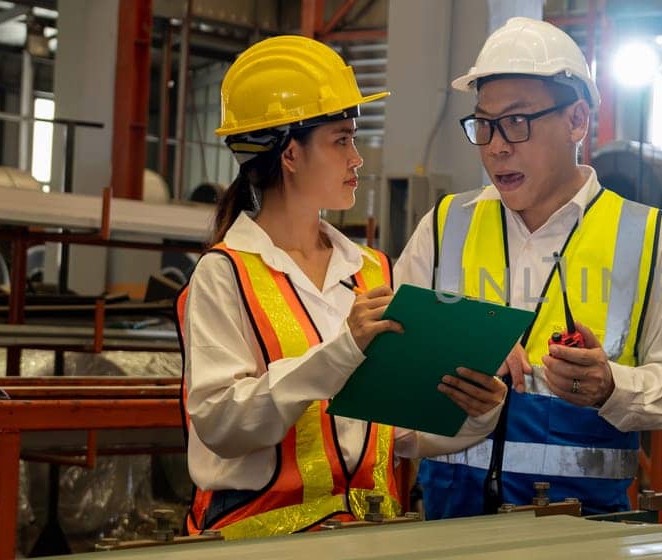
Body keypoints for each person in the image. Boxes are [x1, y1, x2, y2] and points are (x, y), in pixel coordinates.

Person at [177, 35, 507, 539]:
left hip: (370, 537)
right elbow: (222, 424)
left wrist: (476, 413)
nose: (357, 158)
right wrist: (342, 352)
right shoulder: (225, 275)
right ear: (290, 153)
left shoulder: (371, 269)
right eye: (341, 140)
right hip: (256, 542)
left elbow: (395, 430)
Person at [399, 17, 662, 519]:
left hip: (581, 530)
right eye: (484, 124)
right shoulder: (445, 224)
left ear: (577, 121)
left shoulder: (646, 240)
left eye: (517, 122)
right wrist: (460, 355)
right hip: (450, 525)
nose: (496, 145)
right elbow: (392, 361)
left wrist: (612, 386)